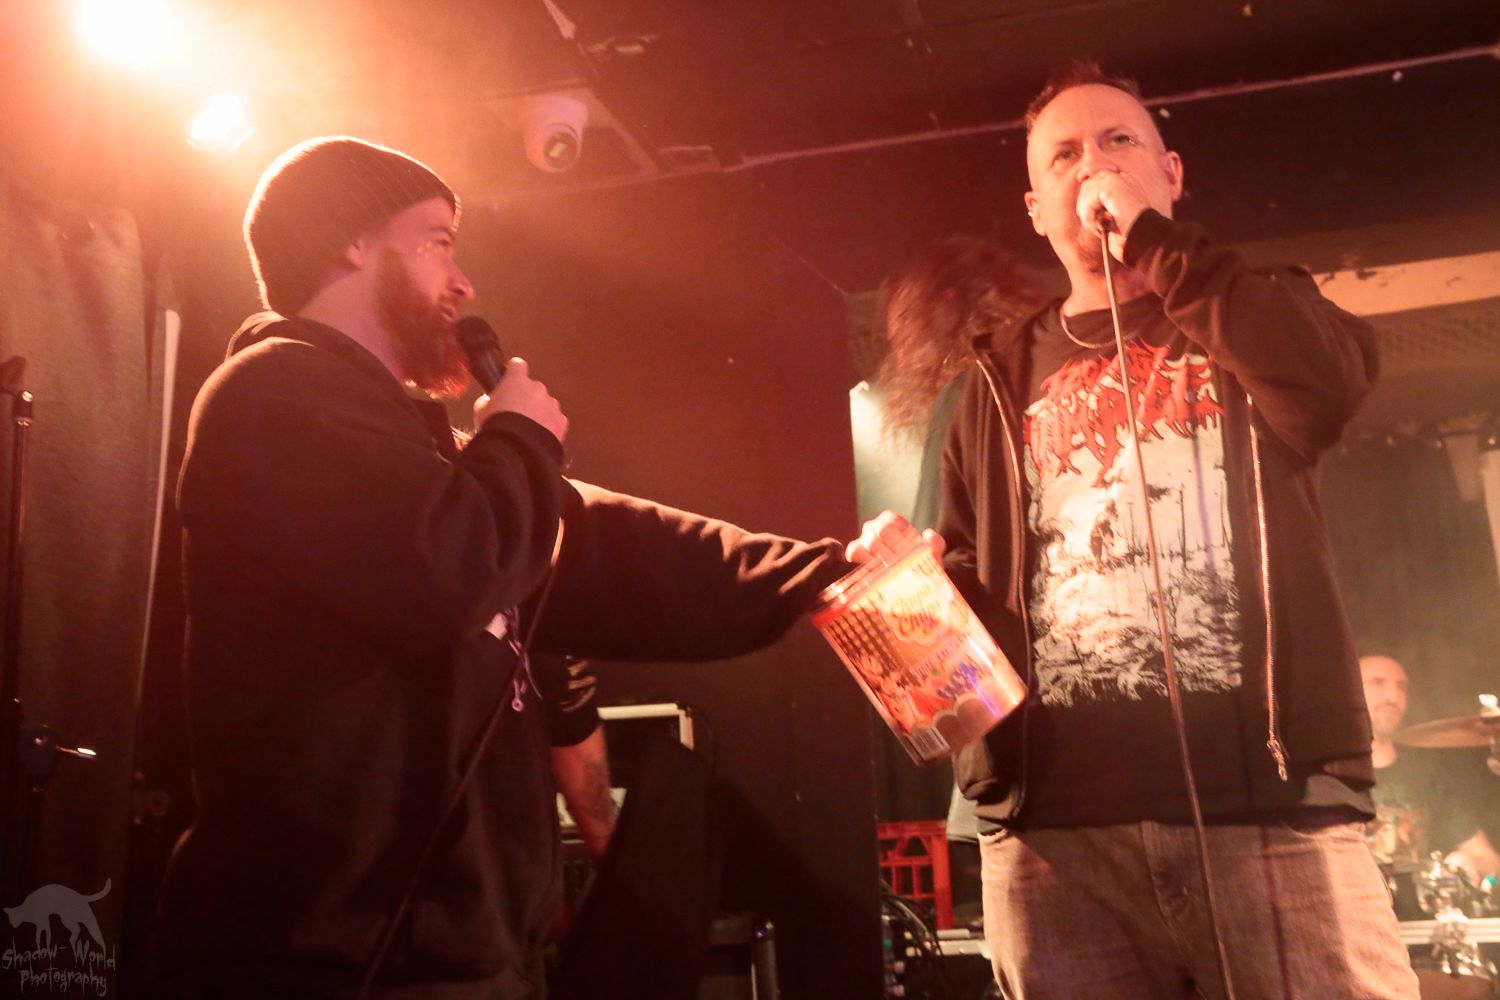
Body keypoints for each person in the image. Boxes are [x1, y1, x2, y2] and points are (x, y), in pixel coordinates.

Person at [152, 136, 849, 998]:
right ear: (351, 241)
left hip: (461, 956)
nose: (463, 282)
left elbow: (616, 547)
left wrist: (823, 575)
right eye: (437, 242)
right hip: (334, 962)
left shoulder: (418, 449)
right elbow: (447, 568)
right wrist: (516, 437)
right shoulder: (272, 393)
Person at [854, 61, 1417, 997]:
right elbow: (971, 606)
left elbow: (1326, 385)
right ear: (1036, 209)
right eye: (1063, 155)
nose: (1094, 165)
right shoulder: (991, 381)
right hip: (1056, 840)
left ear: (1170, 173)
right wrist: (906, 591)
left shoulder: (1251, 313)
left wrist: (1154, 242)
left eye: (1119, 141)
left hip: (1270, 815)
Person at [1362, 653, 1500, 881]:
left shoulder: (1427, 774)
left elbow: (1486, 858)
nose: (1393, 697)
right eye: (1378, 683)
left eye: (1401, 688)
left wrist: (1470, 865)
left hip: (1418, 901)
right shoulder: (1328, 775)